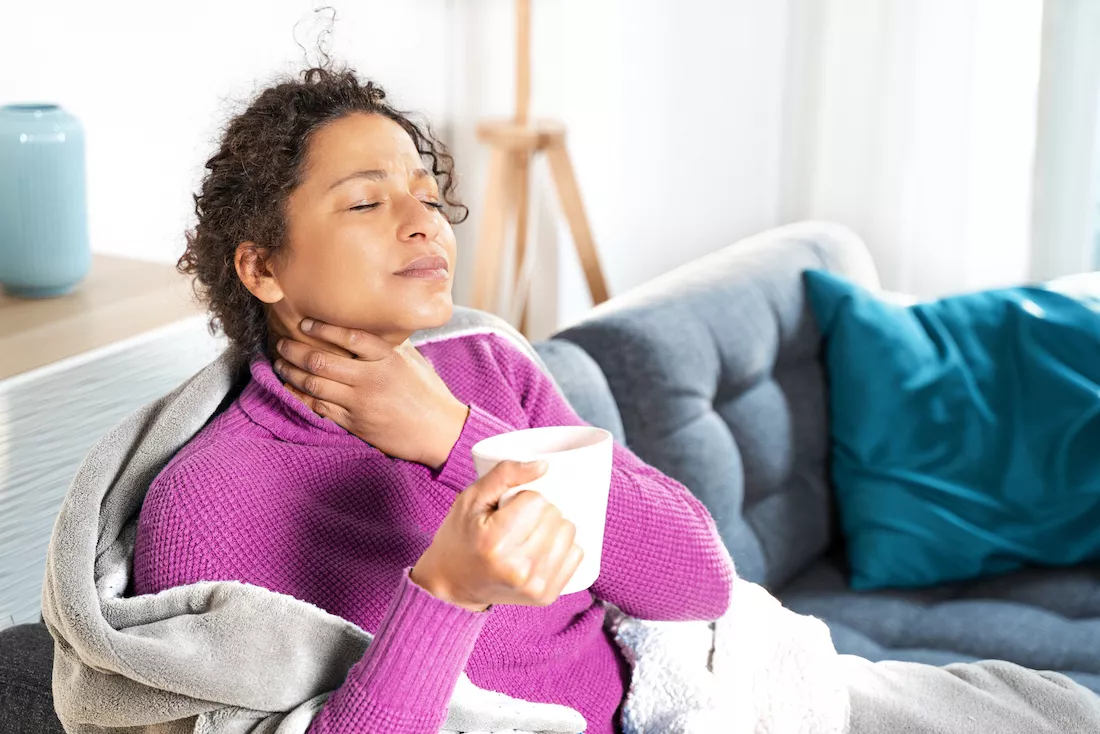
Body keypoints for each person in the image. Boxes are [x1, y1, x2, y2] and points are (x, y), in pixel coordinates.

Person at [132, 66, 735, 734]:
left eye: (429, 196)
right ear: (262, 267)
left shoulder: (489, 365)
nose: (424, 223)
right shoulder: (205, 500)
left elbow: (701, 583)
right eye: (366, 203)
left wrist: (453, 433)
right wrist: (449, 591)